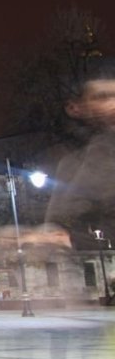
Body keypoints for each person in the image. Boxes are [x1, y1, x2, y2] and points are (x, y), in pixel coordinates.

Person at [47, 56, 115, 250]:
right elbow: (66, 223)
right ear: (77, 108)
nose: (112, 104)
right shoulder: (73, 167)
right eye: (101, 97)